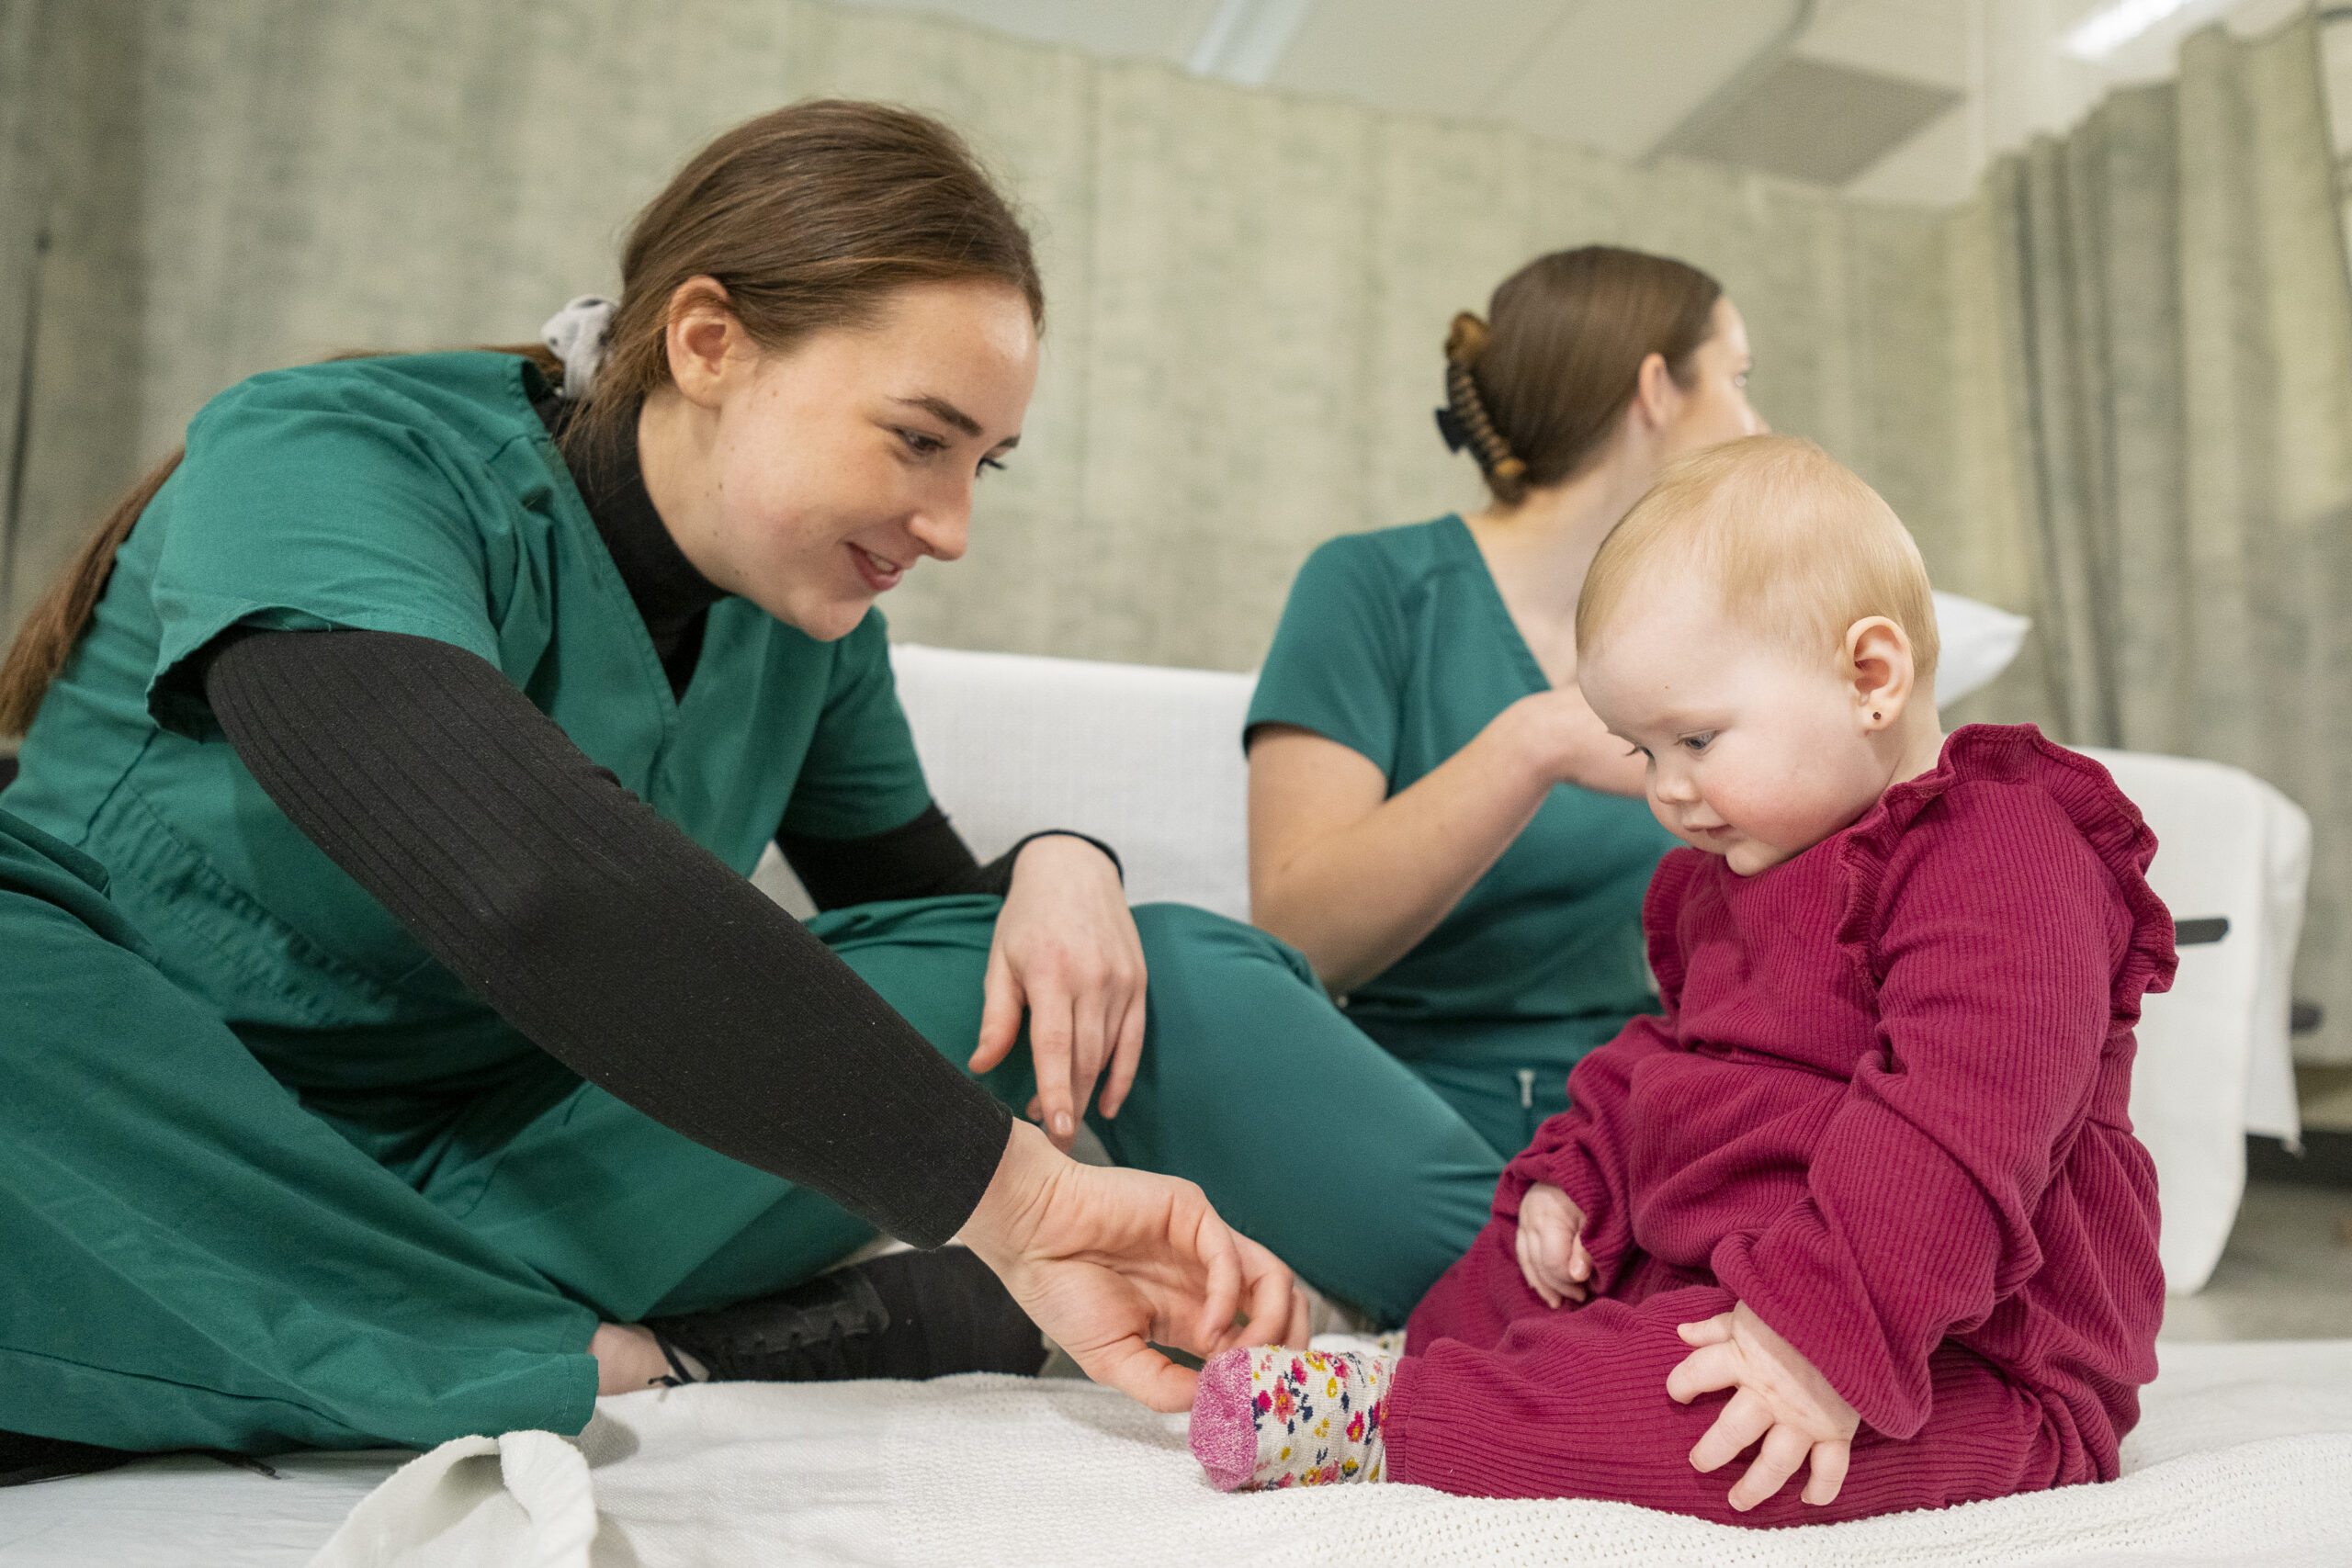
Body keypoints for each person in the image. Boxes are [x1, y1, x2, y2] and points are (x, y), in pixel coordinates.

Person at [0, 98, 1509, 1471]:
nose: (951, 522)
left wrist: (1063, 859)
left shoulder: (802, 620)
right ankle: (621, 1351)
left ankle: (1565, 1302)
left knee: (1103, 971)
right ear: (709, 342)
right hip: (123, 1143)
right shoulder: (327, 452)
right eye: (921, 440)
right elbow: (525, 876)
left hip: (474, 1187)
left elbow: (935, 934)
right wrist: (1021, 1207)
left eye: (987, 464)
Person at [1189, 437, 2172, 1525]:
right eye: (1641, 752)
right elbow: (1672, 1060)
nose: (1666, 790)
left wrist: (1820, 1341)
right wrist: (1579, 1174)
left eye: (1695, 739)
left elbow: (1962, 1123)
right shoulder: (1736, 872)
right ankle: (1430, 1358)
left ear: (1870, 678)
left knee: (1713, 1429)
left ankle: (1398, 1420)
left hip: (1955, 1354)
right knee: (1513, 1274)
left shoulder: (2001, 850)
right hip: (1736, 1274)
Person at [1247, 246, 1768, 1162]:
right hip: (1414, 1115)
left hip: (1643, 1109)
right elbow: (1299, 934)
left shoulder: (1718, 626)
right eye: (1736, 380)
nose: (1757, 425)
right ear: (1654, 390)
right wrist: (1534, 742)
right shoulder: (1372, 585)